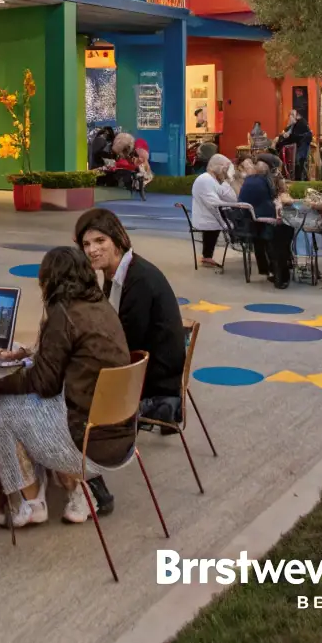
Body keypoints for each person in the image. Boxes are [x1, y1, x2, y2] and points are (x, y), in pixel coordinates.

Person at [0, 246, 135, 529]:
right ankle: (62, 492)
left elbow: (44, 384)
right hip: (121, 436)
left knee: (3, 409)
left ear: (51, 280)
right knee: (30, 408)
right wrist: (28, 358)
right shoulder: (101, 307)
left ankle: (30, 503)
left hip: (86, 442)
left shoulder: (64, 313)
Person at [75, 209, 186, 514]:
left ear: (118, 241)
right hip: (149, 365)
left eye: (100, 240)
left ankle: (90, 480)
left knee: (73, 395)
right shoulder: (120, 273)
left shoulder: (138, 279)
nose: (93, 249)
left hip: (154, 378)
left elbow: (124, 344)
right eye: (86, 244)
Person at [190, 153, 237, 267]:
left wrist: (228, 180)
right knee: (237, 223)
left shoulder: (213, 180)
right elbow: (214, 204)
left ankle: (207, 257)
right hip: (207, 218)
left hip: (209, 216)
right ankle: (207, 257)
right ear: (219, 167)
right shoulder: (206, 180)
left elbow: (232, 198)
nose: (226, 172)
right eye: (226, 169)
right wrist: (228, 206)